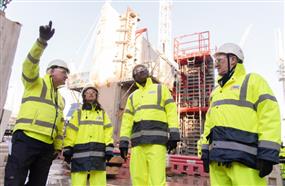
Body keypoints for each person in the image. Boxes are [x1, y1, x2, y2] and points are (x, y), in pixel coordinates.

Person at [201, 43, 281, 185]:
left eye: (219, 60)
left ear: (233, 59)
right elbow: (208, 124)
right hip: (217, 162)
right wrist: (205, 151)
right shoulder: (215, 92)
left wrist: (268, 153)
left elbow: (269, 115)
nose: (216, 65)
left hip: (245, 161)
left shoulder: (253, 81)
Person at [4, 21, 69, 186]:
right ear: (51, 71)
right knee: (15, 181)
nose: (67, 76)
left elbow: (60, 125)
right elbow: (29, 64)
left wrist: (57, 147)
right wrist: (41, 42)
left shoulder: (60, 99)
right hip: (26, 139)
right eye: (64, 72)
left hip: (46, 147)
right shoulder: (35, 82)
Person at [119, 64, 180, 186]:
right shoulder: (132, 96)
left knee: (157, 180)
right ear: (134, 77)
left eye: (142, 70)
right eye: (136, 71)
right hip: (137, 144)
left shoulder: (160, 89)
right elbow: (127, 120)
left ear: (148, 73)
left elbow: (171, 111)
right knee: (138, 179)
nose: (139, 72)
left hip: (156, 143)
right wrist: (123, 141)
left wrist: (174, 133)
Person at [63, 84, 114, 186]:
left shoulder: (102, 114)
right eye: (88, 92)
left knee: (99, 182)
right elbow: (71, 131)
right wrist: (68, 147)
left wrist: (109, 146)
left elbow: (108, 130)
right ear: (84, 96)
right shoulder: (78, 113)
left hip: (98, 154)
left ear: (96, 95)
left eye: (93, 92)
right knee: (78, 182)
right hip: (80, 154)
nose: (91, 94)